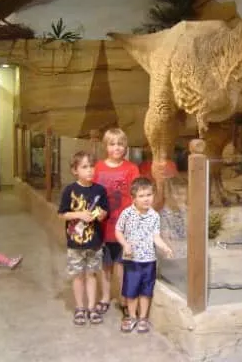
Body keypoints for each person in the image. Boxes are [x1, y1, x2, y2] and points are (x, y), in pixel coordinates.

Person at [115, 177, 173, 333]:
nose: (146, 199)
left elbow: (156, 236)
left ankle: (143, 318)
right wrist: (125, 244)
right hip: (132, 260)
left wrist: (164, 247)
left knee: (146, 290)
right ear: (133, 198)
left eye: (149, 195)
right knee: (131, 290)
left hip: (149, 261)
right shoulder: (127, 214)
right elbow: (118, 230)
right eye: (141, 196)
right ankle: (132, 316)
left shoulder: (154, 216)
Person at [58, 150, 108, 326]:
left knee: (92, 275)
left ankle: (92, 307)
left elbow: (105, 213)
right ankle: (80, 307)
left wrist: (100, 215)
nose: (90, 170)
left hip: (94, 242)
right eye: (85, 167)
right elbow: (62, 214)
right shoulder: (69, 190)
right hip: (75, 243)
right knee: (78, 276)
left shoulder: (100, 190)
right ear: (75, 170)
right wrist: (79, 214)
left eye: (92, 166)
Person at [93, 128, 139, 316]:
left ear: (125, 146)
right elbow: (92, 195)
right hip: (102, 226)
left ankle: (123, 298)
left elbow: (136, 196)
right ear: (106, 146)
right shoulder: (98, 168)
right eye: (112, 144)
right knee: (105, 265)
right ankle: (105, 297)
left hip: (123, 227)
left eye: (120, 144)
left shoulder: (131, 169)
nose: (116, 148)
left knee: (121, 266)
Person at [159, 176, 188, 259]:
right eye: (178, 194)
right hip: (173, 258)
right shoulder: (163, 216)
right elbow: (166, 242)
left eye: (184, 194)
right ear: (167, 194)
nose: (181, 198)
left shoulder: (186, 211)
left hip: (187, 255)